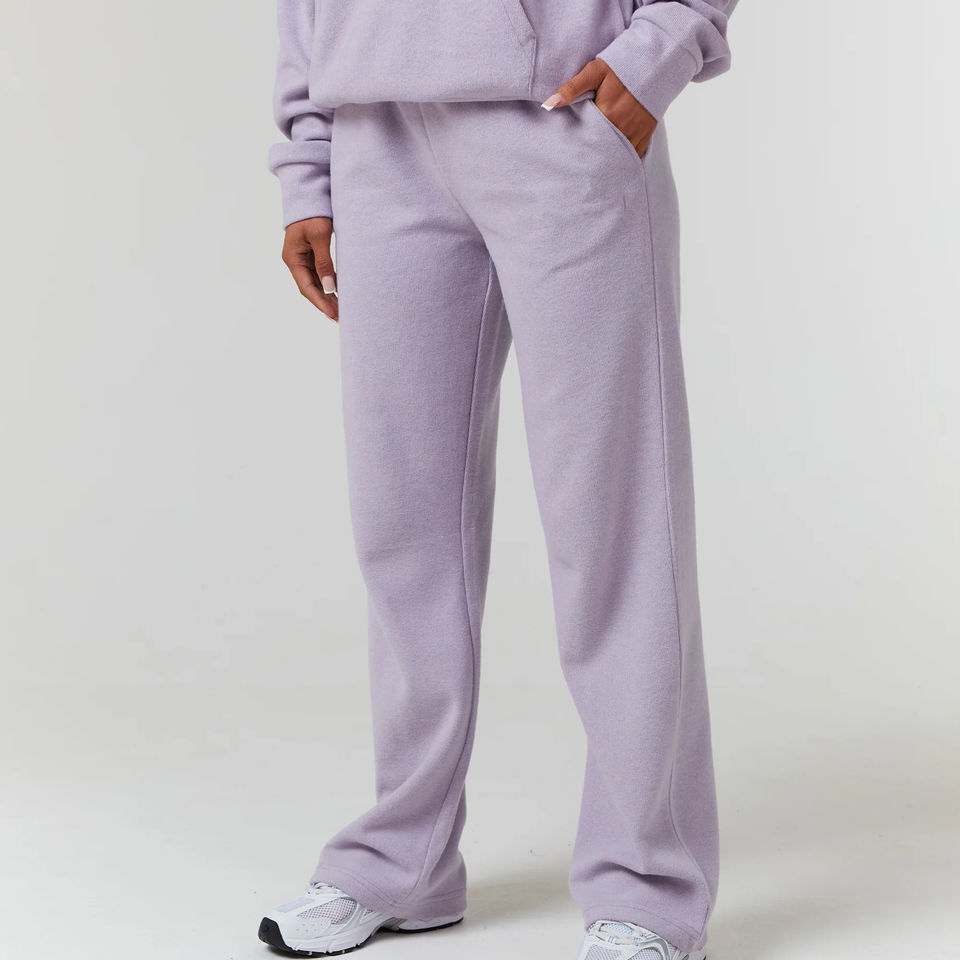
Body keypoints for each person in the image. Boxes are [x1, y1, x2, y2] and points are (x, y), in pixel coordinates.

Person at [258, 2, 737, 957]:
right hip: (376, 131)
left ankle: (648, 885)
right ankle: (403, 858)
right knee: (404, 524)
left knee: (613, 520)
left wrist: (661, 46)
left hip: (563, 117)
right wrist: (308, 161)